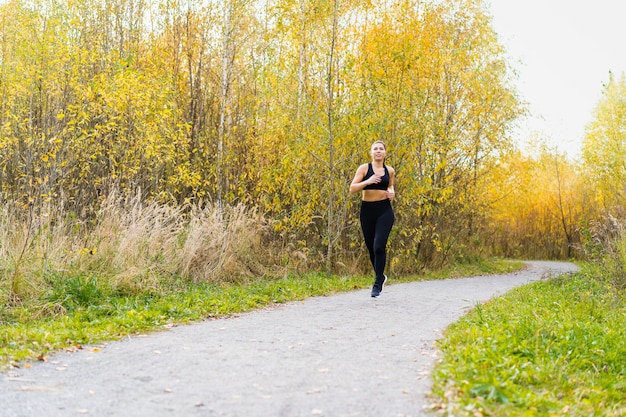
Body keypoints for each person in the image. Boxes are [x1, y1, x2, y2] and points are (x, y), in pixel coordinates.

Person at [349, 140, 395, 297]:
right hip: (367, 211)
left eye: (381, 148)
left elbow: (390, 185)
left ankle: (377, 284)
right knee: (371, 249)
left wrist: (392, 192)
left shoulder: (390, 170)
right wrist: (368, 181)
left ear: (385, 153)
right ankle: (381, 276)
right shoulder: (364, 168)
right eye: (375, 149)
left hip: (384, 211)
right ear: (371, 152)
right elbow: (352, 188)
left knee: (378, 246)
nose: (378, 151)